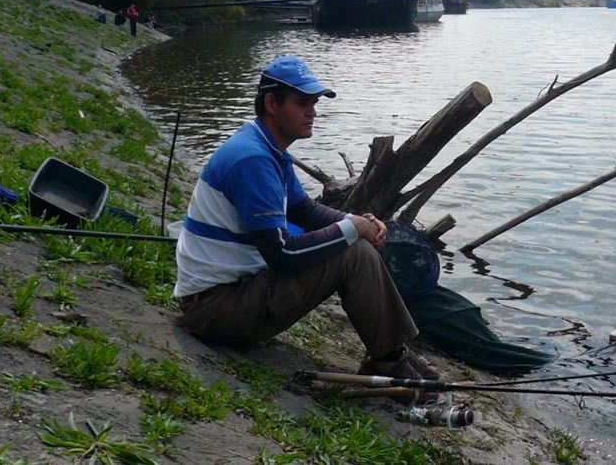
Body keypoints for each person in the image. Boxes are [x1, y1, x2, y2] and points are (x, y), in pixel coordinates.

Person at [174, 55, 439, 392]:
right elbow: (281, 254)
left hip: (227, 296)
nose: (312, 111)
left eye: (313, 103)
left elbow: (304, 210)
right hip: (215, 311)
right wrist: (352, 230)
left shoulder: (266, 147)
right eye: (302, 103)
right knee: (353, 253)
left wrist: (354, 220)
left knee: (353, 242)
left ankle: (391, 352)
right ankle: (388, 359)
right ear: (272, 103)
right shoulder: (253, 158)